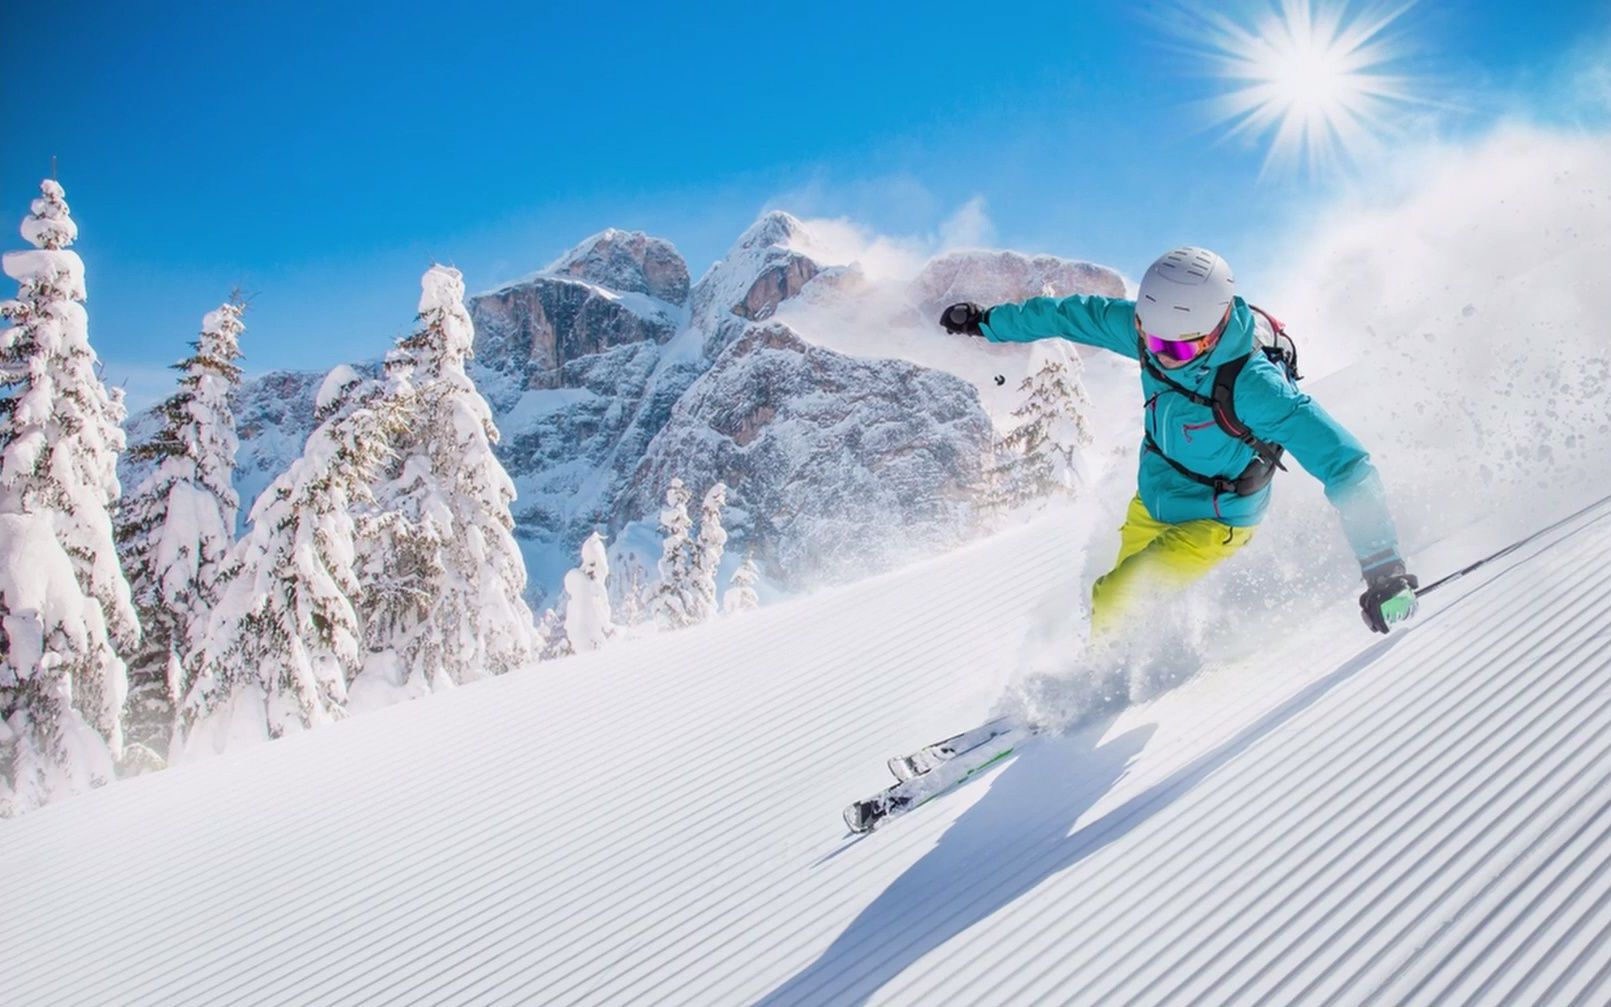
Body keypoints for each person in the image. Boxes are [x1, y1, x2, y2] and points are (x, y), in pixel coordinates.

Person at [941, 246, 1418, 639]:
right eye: (1153, 341)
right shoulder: (1150, 334)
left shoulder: (1255, 387)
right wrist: (987, 323)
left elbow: (1346, 465)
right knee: (1112, 595)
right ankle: (1124, 651)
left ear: (1215, 330)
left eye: (1180, 348)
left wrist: (1384, 569)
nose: (1164, 357)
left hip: (1215, 518)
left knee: (1117, 595)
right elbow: (1070, 315)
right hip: (1152, 498)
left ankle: (1098, 685)